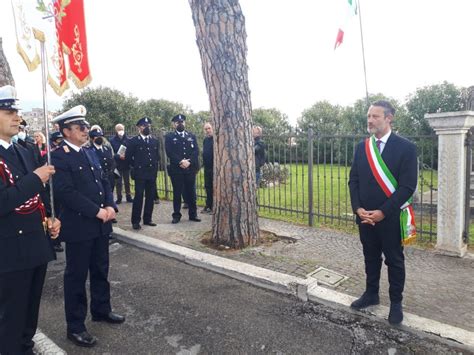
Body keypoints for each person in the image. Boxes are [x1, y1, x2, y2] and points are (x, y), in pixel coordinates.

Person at [51, 105, 125, 348]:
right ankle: (75, 326)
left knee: (100, 269)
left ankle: (101, 309)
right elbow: (66, 192)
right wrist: (98, 211)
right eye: (80, 127)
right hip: (80, 226)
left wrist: (111, 204)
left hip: (100, 224)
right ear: (66, 130)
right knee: (76, 276)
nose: (86, 130)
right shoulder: (58, 156)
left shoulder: (89, 151)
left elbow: (103, 180)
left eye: (85, 126)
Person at [0, 85, 61, 354]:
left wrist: (49, 218)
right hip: (9, 251)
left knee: (29, 317)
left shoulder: (22, 151)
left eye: (17, 111)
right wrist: (36, 177)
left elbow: (38, 197)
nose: (17, 117)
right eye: (8, 111)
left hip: (35, 244)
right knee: (9, 319)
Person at [348, 100, 417, 325]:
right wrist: (358, 208)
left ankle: (396, 302)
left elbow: (408, 186)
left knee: (395, 260)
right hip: (365, 216)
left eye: (375, 116)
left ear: (389, 118)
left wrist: (383, 212)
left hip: (390, 217)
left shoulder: (406, 148)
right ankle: (371, 294)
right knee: (370, 256)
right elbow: (354, 180)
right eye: (369, 116)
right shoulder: (362, 147)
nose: (370, 120)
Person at [125, 117, 160, 230]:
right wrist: (134, 168)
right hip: (140, 173)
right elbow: (128, 158)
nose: (147, 127)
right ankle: (135, 221)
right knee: (139, 197)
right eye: (144, 126)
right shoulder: (133, 141)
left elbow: (157, 156)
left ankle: (147, 218)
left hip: (151, 173)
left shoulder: (154, 140)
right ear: (139, 128)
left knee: (150, 197)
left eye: (148, 125)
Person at [165, 114, 201, 224]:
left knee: (191, 193)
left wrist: (188, 161)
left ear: (185, 123)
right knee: (177, 193)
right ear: (174, 124)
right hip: (177, 169)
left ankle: (193, 214)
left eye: (182, 122)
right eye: (177, 122)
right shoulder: (170, 137)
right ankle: (176, 215)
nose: (180, 124)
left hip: (190, 169)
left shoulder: (191, 136)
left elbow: (196, 151)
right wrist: (181, 161)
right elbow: (170, 152)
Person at [90, 128, 118, 224]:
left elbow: (112, 161)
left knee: (109, 195)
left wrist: (111, 171)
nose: (100, 138)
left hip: (109, 176)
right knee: (101, 196)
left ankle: (111, 213)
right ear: (92, 138)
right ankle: (103, 215)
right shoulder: (90, 150)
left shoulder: (107, 148)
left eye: (101, 136)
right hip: (99, 177)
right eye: (97, 136)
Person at [109, 123, 133, 204]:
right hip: (117, 164)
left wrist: (127, 155)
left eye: (122, 129)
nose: (121, 131)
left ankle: (128, 196)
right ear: (116, 130)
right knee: (118, 182)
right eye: (119, 129)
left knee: (127, 182)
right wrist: (118, 156)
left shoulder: (128, 139)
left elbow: (130, 151)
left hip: (126, 163)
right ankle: (119, 197)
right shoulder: (112, 140)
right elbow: (111, 153)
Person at [202, 122, 213, 213]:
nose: (207, 131)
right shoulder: (205, 140)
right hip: (207, 167)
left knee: (214, 187)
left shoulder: (216, 139)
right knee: (207, 186)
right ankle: (208, 205)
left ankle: (214, 206)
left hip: (214, 168)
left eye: (209, 128)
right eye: (206, 129)